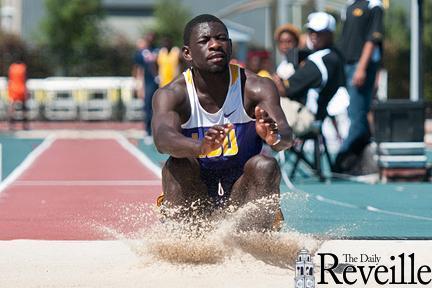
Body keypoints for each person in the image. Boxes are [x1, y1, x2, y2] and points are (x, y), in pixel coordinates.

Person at [152, 14, 293, 230]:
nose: (215, 44)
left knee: (266, 165)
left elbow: (286, 135)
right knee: (176, 165)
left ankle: (255, 245)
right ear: (188, 53)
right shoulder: (173, 94)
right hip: (196, 195)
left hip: (241, 193)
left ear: (230, 46)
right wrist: (199, 147)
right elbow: (162, 139)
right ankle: (185, 242)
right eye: (205, 40)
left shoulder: (256, 87)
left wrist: (275, 138)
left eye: (221, 38)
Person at [272, 12, 345, 136]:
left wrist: (275, 81)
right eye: (311, 30)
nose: (314, 35)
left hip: (307, 118)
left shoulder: (319, 60)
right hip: (318, 117)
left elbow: (284, 90)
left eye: (320, 32)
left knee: (264, 101)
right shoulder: (335, 55)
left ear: (330, 34)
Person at [335, 0, 384, 172]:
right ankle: (359, 162)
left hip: (359, 66)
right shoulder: (350, 5)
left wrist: (362, 67)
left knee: (357, 115)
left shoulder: (374, 4)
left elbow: (373, 38)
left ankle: (343, 159)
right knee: (352, 113)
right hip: (347, 65)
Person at [133, 32, 159, 137]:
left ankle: (158, 130)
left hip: (160, 82)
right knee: (148, 106)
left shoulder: (159, 50)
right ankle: (148, 131)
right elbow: (138, 69)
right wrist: (138, 84)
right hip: (147, 83)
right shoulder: (141, 53)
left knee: (160, 107)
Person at [7, 56, 29, 130]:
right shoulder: (23, 67)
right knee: (24, 107)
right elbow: (25, 78)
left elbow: (9, 78)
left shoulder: (11, 67)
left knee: (12, 106)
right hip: (21, 88)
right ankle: (25, 125)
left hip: (13, 88)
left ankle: (11, 125)